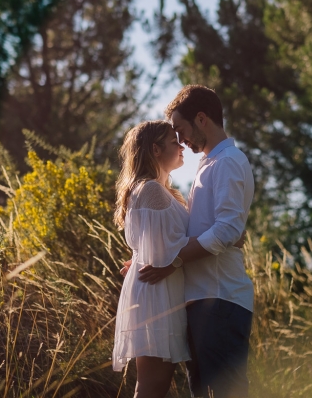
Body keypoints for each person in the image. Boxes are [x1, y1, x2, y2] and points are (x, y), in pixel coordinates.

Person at [138, 85, 255, 398]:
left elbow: (227, 230)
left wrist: (172, 261)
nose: (180, 140)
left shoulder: (228, 161)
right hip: (203, 302)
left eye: (181, 129)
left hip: (221, 300)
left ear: (201, 119)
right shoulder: (209, 165)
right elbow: (213, 228)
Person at [112, 120, 191, 398]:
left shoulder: (154, 189)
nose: (181, 146)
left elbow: (152, 244)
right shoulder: (151, 190)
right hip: (157, 293)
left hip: (157, 290)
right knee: (151, 387)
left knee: (153, 386)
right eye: (174, 142)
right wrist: (224, 237)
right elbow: (165, 249)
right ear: (156, 150)